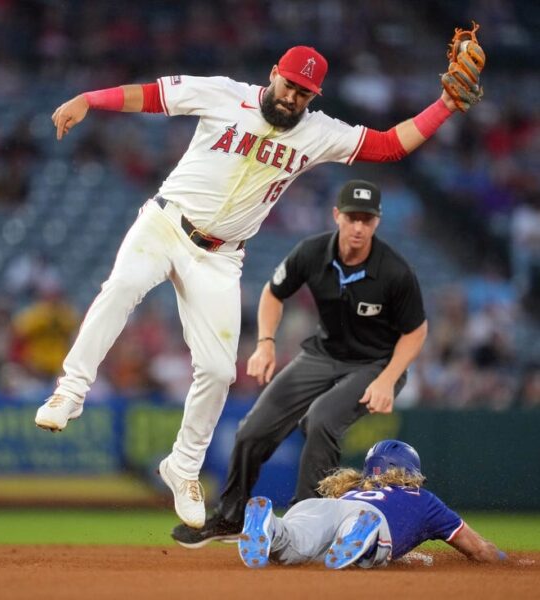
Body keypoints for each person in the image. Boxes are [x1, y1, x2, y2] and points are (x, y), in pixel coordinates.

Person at [35, 43, 470, 529]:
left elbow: (389, 144)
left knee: (220, 371)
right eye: (289, 86)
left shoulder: (318, 132)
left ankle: (182, 466)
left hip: (220, 257)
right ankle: (70, 392)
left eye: (305, 93)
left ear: (315, 94)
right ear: (273, 75)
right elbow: (154, 96)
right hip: (165, 224)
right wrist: (90, 100)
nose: (292, 98)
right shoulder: (223, 94)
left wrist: (446, 106)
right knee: (121, 288)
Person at [172, 179, 427, 546]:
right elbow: (273, 293)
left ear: (377, 222)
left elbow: (416, 331)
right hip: (323, 354)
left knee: (321, 419)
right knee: (251, 431)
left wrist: (388, 379)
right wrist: (265, 344)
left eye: (366, 220)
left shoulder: (393, 270)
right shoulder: (312, 252)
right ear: (336, 215)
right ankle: (230, 517)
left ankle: (309, 522)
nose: (358, 227)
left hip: (376, 362)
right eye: (352, 217)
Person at [236, 439, 507, 569]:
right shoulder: (423, 500)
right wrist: (506, 560)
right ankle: (362, 537)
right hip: (369, 517)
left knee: (293, 546)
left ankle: (271, 526)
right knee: (370, 549)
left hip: (318, 507)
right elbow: (479, 550)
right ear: (410, 471)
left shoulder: (352, 487)